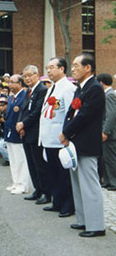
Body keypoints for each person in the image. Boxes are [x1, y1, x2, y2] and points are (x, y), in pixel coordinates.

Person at [60, 54, 106, 238]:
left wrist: (66, 132)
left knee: (89, 184)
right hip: (76, 142)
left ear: (88, 68)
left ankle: (96, 225)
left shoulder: (94, 88)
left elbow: (84, 115)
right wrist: (66, 131)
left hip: (87, 142)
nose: (73, 69)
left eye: (76, 65)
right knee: (78, 183)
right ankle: (83, 220)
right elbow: (72, 111)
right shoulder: (81, 88)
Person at [39, 57, 75, 218]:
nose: (49, 71)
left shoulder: (67, 88)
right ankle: (57, 201)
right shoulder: (51, 88)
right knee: (53, 172)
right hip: (48, 138)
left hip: (59, 138)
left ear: (62, 69)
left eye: (52, 67)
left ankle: (68, 205)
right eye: (47, 68)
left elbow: (70, 113)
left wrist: (67, 134)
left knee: (63, 175)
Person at [16, 65, 51, 205]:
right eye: (25, 76)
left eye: (30, 75)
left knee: (39, 164)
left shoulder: (42, 90)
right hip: (26, 132)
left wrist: (23, 124)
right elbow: (23, 110)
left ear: (37, 75)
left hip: (35, 132)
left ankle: (46, 192)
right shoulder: (28, 91)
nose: (27, 78)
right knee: (31, 163)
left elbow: (37, 112)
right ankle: (37, 189)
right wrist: (20, 124)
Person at [4, 74, 31, 195]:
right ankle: (16, 182)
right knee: (13, 160)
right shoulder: (11, 98)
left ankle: (22, 184)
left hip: (18, 132)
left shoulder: (24, 96)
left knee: (20, 160)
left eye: (12, 82)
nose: (10, 85)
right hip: (10, 132)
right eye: (9, 82)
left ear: (19, 84)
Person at [97, 73, 116, 191]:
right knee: (106, 158)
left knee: (110, 159)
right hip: (107, 133)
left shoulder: (109, 95)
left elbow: (111, 115)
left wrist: (106, 131)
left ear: (101, 83)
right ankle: (108, 181)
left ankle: (113, 182)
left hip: (110, 134)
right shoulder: (107, 94)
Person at [0, 97, 9, 166]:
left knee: (0, 147)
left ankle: (9, 160)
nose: (1, 107)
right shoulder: (0, 113)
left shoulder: (9, 112)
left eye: (3, 105)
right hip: (2, 135)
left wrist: (3, 121)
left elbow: (10, 124)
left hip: (9, 134)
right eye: (0, 105)